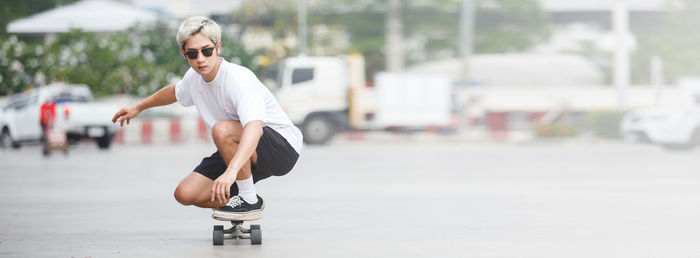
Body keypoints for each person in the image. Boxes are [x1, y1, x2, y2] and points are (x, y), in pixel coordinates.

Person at [111, 17, 302, 221]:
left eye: (206, 50)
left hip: (282, 147)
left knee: (222, 129)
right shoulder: (193, 80)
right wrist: (138, 107)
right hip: (240, 147)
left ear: (218, 47)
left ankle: (248, 198)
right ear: (184, 55)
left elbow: (254, 128)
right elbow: (174, 92)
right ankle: (245, 199)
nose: (200, 59)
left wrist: (231, 172)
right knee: (185, 194)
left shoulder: (238, 79)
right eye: (192, 54)